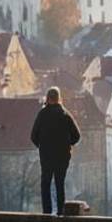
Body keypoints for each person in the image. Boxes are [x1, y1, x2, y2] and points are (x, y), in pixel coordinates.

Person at [30, 86, 80, 215]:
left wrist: (42, 147)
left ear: (48, 98)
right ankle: (60, 212)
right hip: (62, 156)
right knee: (59, 183)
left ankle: (46, 212)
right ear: (59, 99)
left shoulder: (42, 114)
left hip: (46, 156)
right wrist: (67, 145)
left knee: (45, 183)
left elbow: (33, 136)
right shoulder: (65, 114)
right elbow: (77, 136)